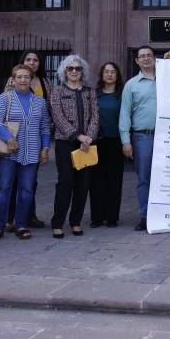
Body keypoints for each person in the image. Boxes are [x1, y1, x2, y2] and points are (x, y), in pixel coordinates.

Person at [0, 64, 50, 242]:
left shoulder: (39, 101)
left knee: (27, 190)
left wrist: (45, 148)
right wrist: (9, 138)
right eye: (19, 77)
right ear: (13, 79)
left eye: (26, 77)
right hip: (8, 152)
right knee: (3, 188)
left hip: (31, 152)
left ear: (32, 80)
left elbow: (45, 126)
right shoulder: (5, 98)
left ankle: (21, 224)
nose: (23, 80)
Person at [49, 55, 99, 238]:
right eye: (70, 68)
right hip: (65, 142)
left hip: (86, 144)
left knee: (82, 184)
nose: (74, 71)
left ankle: (76, 221)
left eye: (78, 68)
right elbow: (58, 117)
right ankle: (57, 223)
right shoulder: (57, 91)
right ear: (64, 71)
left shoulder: (89, 92)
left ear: (82, 71)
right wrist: (78, 136)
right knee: (65, 182)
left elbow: (95, 116)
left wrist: (89, 138)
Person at [6, 50, 50, 230]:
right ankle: (10, 219)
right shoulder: (13, 81)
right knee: (14, 181)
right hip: (16, 138)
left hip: (35, 138)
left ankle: (28, 216)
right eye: (28, 59)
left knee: (31, 181)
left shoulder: (45, 82)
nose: (32, 62)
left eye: (35, 60)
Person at [120, 46, 158, 232]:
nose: (145, 59)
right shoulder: (131, 85)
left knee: (167, 177)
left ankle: (164, 215)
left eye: (148, 56)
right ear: (136, 61)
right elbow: (125, 113)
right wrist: (125, 140)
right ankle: (145, 217)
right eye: (141, 57)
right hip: (143, 137)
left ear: (154, 58)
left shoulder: (168, 79)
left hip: (168, 136)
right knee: (144, 178)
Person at [89, 62, 124, 228]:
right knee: (96, 180)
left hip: (116, 142)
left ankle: (112, 217)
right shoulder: (94, 95)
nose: (109, 74)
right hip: (97, 142)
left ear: (117, 75)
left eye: (113, 72)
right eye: (106, 71)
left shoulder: (123, 95)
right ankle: (96, 217)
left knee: (114, 180)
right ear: (102, 75)